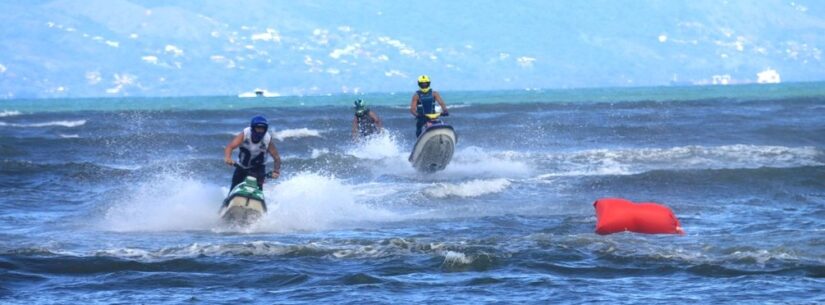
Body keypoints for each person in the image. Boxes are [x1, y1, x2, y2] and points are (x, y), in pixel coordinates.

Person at [223, 115, 281, 190]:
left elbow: (276, 158)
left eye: (262, 129)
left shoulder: (267, 139)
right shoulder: (246, 134)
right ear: (253, 128)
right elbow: (230, 147)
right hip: (241, 167)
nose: (260, 131)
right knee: (234, 188)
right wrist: (228, 158)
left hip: (259, 170)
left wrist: (276, 171)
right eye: (258, 128)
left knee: (258, 190)